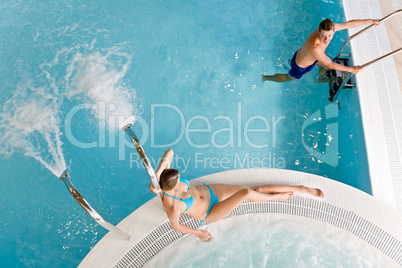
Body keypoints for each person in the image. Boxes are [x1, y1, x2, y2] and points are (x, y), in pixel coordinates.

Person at [149, 149, 324, 242]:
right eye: (178, 178)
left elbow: (169, 152)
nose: (181, 178)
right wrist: (198, 233)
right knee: (247, 193)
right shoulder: (172, 206)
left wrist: (158, 174)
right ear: (170, 186)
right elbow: (176, 226)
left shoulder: (163, 178)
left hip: (210, 191)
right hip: (210, 212)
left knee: (258, 190)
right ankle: (277, 197)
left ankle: (302, 188)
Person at [261, 18, 380, 82]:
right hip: (300, 65)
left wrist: (371, 21)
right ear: (318, 31)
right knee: (289, 78)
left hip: (309, 57)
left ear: (333, 31)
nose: (326, 39)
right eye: (323, 36)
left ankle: (320, 79)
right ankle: (266, 77)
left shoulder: (331, 29)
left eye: (329, 36)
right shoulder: (316, 47)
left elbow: (349, 24)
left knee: (324, 66)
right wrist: (351, 70)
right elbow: (330, 63)